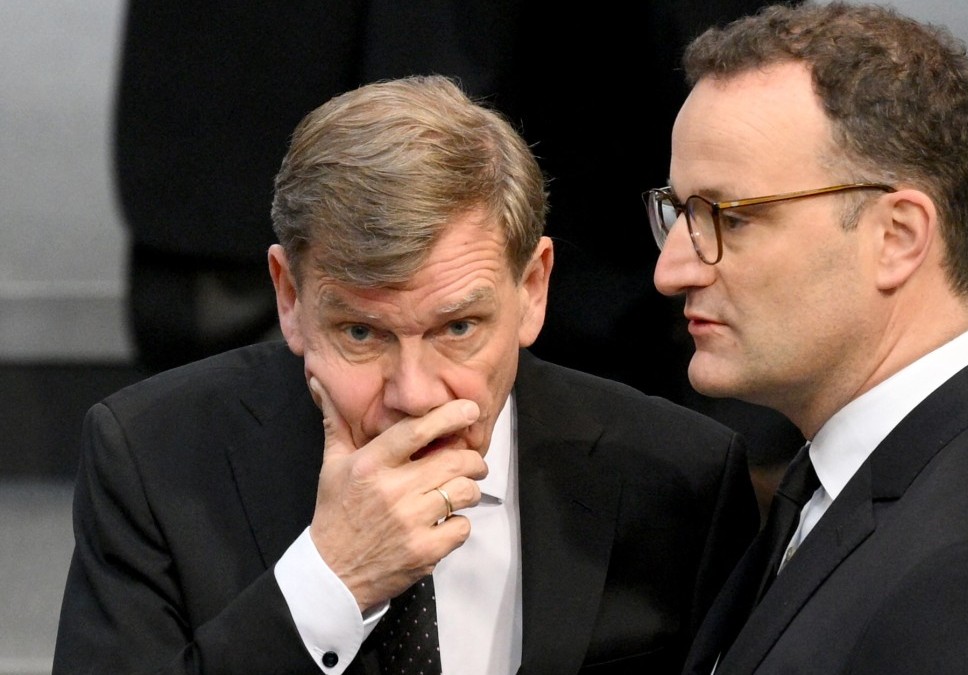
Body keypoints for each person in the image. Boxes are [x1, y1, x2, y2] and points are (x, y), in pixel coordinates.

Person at [54, 75, 760, 675]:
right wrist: (331, 581)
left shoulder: (678, 479)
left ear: (534, 288)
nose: (414, 394)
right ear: (290, 297)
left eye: (458, 328)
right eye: (362, 333)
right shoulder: (154, 460)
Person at [646, 3, 968, 673]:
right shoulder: (845, 479)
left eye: (730, 218)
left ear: (898, 238)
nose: (670, 270)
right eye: (678, 212)